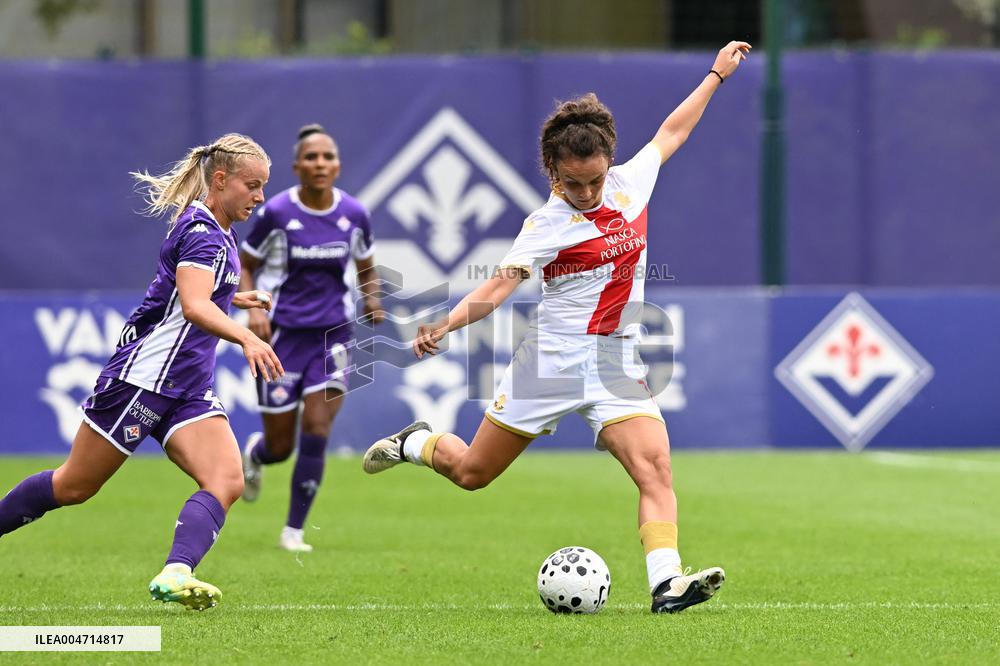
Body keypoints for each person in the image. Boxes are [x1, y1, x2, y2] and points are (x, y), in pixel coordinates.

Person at [363, 41, 751, 614]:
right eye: (575, 183)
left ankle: (666, 583)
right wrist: (444, 324)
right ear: (553, 172)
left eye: (594, 180)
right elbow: (497, 287)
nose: (588, 193)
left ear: (607, 164)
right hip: (550, 363)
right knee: (472, 473)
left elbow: (673, 132)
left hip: (617, 361)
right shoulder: (544, 226)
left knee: (655, 467)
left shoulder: (629, 183)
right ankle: (415, 442)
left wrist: (716, 73)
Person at [0, 133, 284, 611]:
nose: (260, 197)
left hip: (188, 387)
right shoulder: (202, 233)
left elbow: (186, 291)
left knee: (227, 479)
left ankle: (176, 572)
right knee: (74, 486)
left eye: (263, 187)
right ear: (220, 180)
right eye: (252, 186)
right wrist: (246, 334)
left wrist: (234, 296)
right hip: (143, 382)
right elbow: (193, 305)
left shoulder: (216, 228)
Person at [238, 123, 383, 553]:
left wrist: (373, 300)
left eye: (328, 157)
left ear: (337, 165)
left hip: (332, 337)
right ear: (296, 166)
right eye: (311, 157)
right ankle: (257, 454)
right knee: (281, 447)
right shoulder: (276, 214)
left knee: (317, 427)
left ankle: (294, 531)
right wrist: (252, 311)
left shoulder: (354, 214)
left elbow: (367, 269)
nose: (320, 164)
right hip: (281, 338)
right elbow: (245, 264)